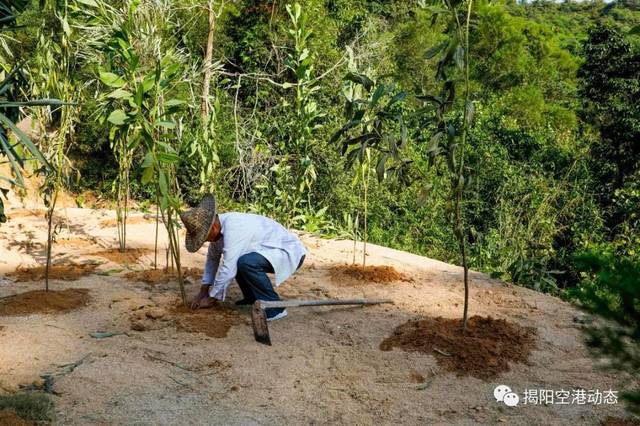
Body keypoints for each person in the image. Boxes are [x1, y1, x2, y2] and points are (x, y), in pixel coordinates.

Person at [180, 194, 307, 321]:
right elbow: (212, 260)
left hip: (288, 251)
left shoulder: (233, 228)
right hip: (266, 251)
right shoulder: (218, 232)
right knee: (241, 260)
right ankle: (252, 297)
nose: (206, 241)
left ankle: (275, 309)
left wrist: (212, 298)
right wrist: (204, 290)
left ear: (213, 228)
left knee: (245, 262)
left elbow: (228, 268)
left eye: (205, 237)